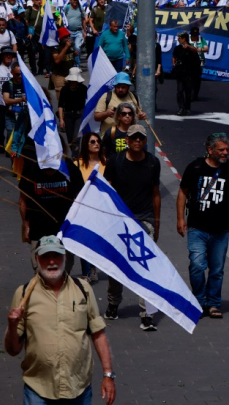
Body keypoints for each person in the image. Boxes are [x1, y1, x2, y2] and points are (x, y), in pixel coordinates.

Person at [5, 236, 116, 405]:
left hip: (78, 388)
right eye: (45, 256)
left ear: (65, 257)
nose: (51, 262)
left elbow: (98, 334)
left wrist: (108, 374)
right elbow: (13, 350)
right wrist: (12, 326)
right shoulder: (23, 294)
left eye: (56, 255)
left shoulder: (83, 289)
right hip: (38, 390)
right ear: (37, 259)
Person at [177, 133, 229, 318]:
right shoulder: (195, 167)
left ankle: (214, 303)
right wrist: (180, 218)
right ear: (210, 150)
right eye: (221, 150)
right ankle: (199, 300)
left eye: (227, 150)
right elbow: (183, 193)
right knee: (197, 265)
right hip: (197, 228)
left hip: (221, 230)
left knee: (217, 269)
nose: (225, 153)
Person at [103, 125, 162, 331]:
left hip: (144, 219)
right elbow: (107, 190)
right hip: (119, 220)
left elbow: (156, 193)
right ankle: (113, 303)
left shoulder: (153, 163)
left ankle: (147, 313)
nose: (137, 140)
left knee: (145, 267)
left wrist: (157, 221)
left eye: (141, 138)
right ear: (127, 140)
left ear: (145, 141)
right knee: (117, 266)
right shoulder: (115, 161)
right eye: (133, 137)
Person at [19, 161, 84, 270]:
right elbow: (23, 199)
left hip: (64, 230)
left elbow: (80, 197)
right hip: (38, 229)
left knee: (64, 270)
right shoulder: (31, 167)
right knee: (40, 271)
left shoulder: (70, 168)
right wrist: (26, 225)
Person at [75, 131, 106, 283]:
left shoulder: (106, 163)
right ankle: (86, 271)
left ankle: (93, 267)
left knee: (95, 241)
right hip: (83, 208)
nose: (96, 144)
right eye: (92, 142)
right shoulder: (77, 164)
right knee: (84, 240)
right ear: (86, 145)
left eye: (98, 141)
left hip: (101, 208)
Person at [93, 72, 146, 136]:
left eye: (123, 87)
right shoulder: (106, 96)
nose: (120, 89)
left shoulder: (134, 97)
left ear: (128, 87)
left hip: (129, 137)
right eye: (118, 87)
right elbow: (96, 117)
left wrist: (141, 116)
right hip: (110, 137)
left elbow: (138, 114)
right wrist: (106, 113)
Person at [57, 67, 87, 156]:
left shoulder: (83, 89)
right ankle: (74, 153)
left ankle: (75, 156)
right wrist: (61, 119)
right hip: (68, 115)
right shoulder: (65, 89)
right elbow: (60, 105)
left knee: (76, 137)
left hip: (79, 115)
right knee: (69, 138)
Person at [172, 31, 200, 116]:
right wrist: (174, 63)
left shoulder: (190, 48)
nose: (178, 39)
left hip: (188, 73)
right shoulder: (177, 48)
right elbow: (174, 57)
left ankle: (187, 108)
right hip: (180, 72)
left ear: (184, 39)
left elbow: (195, 53)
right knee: (179, 91)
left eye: (180, 38)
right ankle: (181, 107)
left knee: (188, 91)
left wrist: (188, 46)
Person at [0, 45, 14, 152]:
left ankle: (10, 146)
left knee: (11, 128)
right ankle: (1, 142)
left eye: (10, 55)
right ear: (2, 56)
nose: (8, 57)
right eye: (6, 55)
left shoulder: (15, 68)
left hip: (12, 103)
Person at [2, 61, 25, 144]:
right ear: (12, 73)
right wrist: (21, 99)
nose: (20, 77)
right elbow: (6, 100)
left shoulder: (27, 85)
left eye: (21, 74)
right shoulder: (7, 84)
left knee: (22, 137)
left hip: (24, 115)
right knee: (10, 136)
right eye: (17, 74)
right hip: (11, 115)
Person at [51, 27, 76, 100]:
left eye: (68, 36)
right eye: (65, 37)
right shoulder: (56, 48)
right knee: (61, 98)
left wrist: (74, 53)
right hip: (59, 75)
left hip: (70, 75)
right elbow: (57, 60)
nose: (68, 38)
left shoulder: (70, 46)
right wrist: (66, 47)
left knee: (71, 97)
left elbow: (71, 56)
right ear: (60, 38)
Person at [63, 0, 85, 67]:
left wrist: (84, 31)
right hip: (69, 32)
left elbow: (83, 19)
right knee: (69, 49)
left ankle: (77, 66)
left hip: (78, 32)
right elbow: (63, 17)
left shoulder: (80, 8)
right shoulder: (67, 7)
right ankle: (70, 65)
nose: (75, 1)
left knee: (77, 47)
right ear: (70, 0)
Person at [188, 27, 208, 101]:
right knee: (189, 78)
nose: (195, 36)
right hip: (190, 61)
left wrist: (201, 49)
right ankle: (189, 94)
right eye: (193, 35)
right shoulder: (188, 39)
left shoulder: (201, 39)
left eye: (196, 35)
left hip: (199, 61)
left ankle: (195, 94)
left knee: (197, 79)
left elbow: (206, 48)